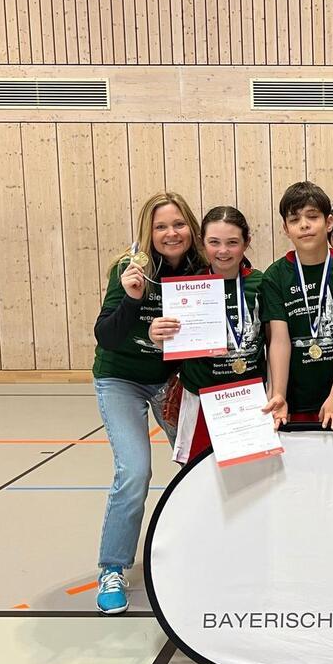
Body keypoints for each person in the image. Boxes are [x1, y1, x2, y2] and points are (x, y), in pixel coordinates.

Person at [91, 191, 206, 614]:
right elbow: (106, 335)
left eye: (178, 224)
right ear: (149, 233)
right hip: (121, 378)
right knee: (134, 471)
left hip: (170, 381)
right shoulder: (130, 268)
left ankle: (203, 549)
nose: (171, 233)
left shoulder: (201, 270)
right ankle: (112, 567)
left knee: (199, 463)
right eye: (161, 227)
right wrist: (134, 299)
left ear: (190, 229)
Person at [149, 207, 265, 465]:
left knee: (254, 477)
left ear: (247, 242)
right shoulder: (187, 286)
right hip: (201, 400)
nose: (223, 251)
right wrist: (158, 335)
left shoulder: (261, 284)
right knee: (198, 478)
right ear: (203, 243)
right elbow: (170, 338)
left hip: (250, 399)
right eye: (214, 242)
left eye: (232, 242)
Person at [259, 182, 333, 429]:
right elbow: (278, 340)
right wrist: (280, 395)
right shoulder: (275, 276)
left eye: (312, 217)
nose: (304, 225)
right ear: (285, 228)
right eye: (295, 220)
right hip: (297, 399)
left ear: (328, 223)